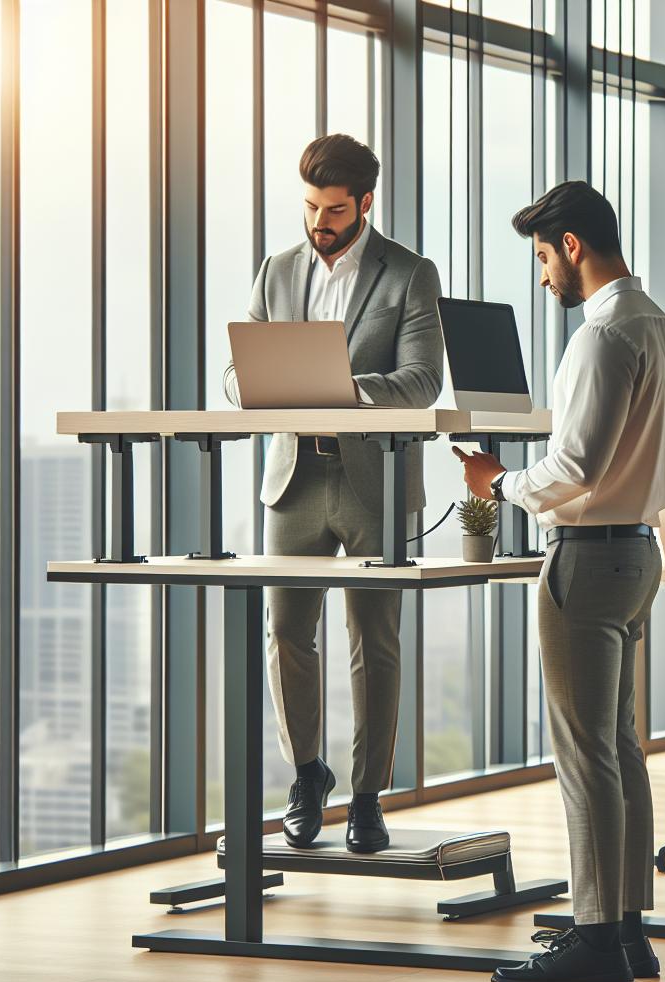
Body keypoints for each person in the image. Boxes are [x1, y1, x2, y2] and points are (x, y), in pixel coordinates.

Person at [453, 181, 665, 982]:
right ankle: (627, 932)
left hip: (587, 560)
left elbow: (573, 468)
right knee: (620, 747)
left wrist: (497, 481)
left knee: (585, 752)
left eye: (543, 258)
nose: (544, 277)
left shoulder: (600, 337)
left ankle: (593, 938)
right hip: (640, 554)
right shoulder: (662, 329)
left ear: (573, 247)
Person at [223, 134, 444, 854]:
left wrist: (343, 391)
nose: (320, 221)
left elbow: (421, 382)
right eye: (312, 206)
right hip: (293, 478)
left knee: (372, 642)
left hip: (371, 478)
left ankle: (369, 796)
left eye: (336, 209)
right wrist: (252, 383)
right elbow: (235, 370)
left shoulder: (408, 274)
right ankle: (308, 775)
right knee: (287, 632)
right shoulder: (277, 270)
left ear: (366, 204)